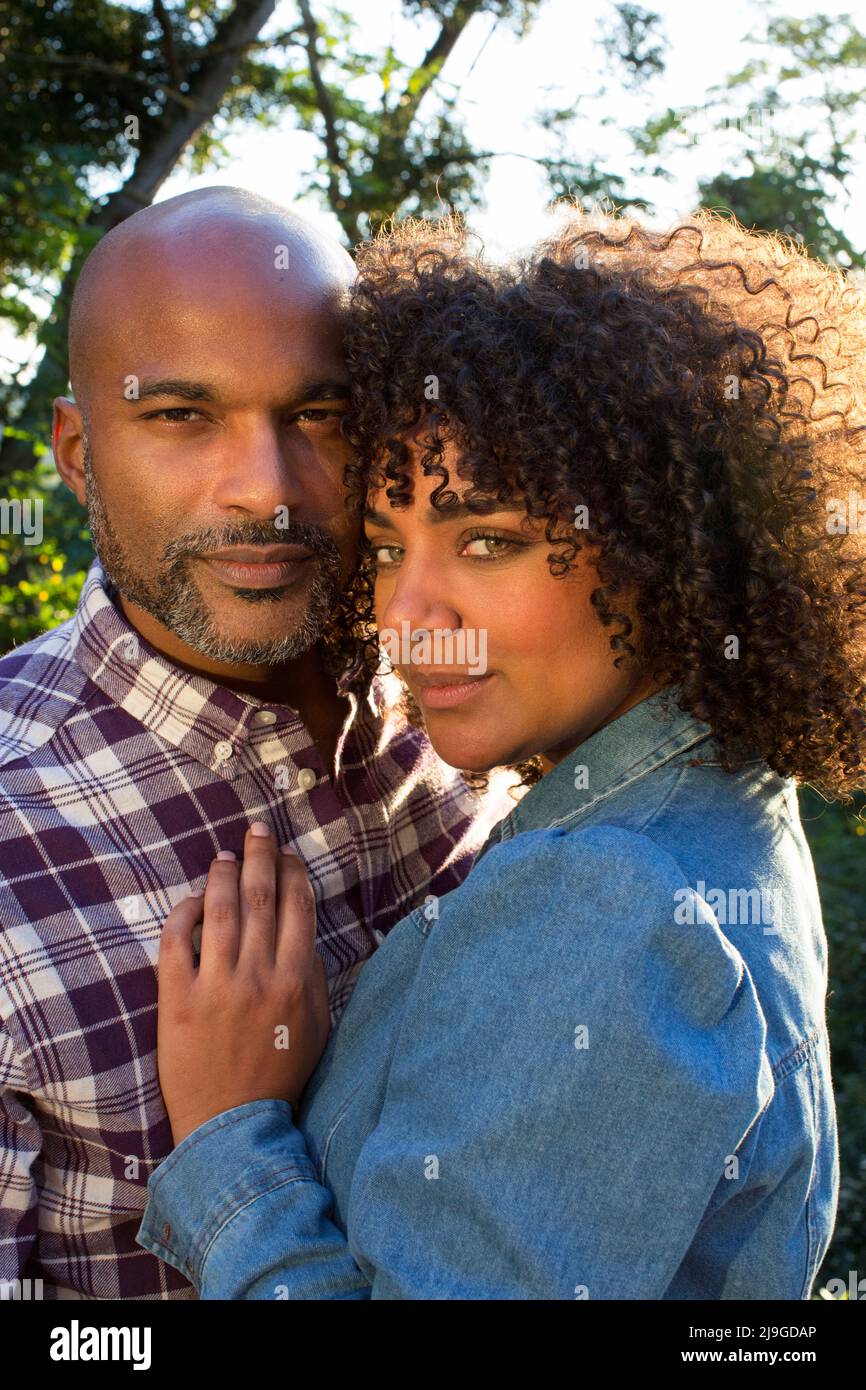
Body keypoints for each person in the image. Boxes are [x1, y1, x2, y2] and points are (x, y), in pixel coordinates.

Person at [137, 209, 865, 1299]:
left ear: (664, 550)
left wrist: (231, 1140)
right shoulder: (717, 809)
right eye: (386, 548)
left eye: (489, 541)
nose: (408, 616)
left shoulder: (605, 895)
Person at [0, 190, 505, 1300]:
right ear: (78, 454)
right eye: (181, 415)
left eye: (317, 415)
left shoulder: (483, 694)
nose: (266, 490)